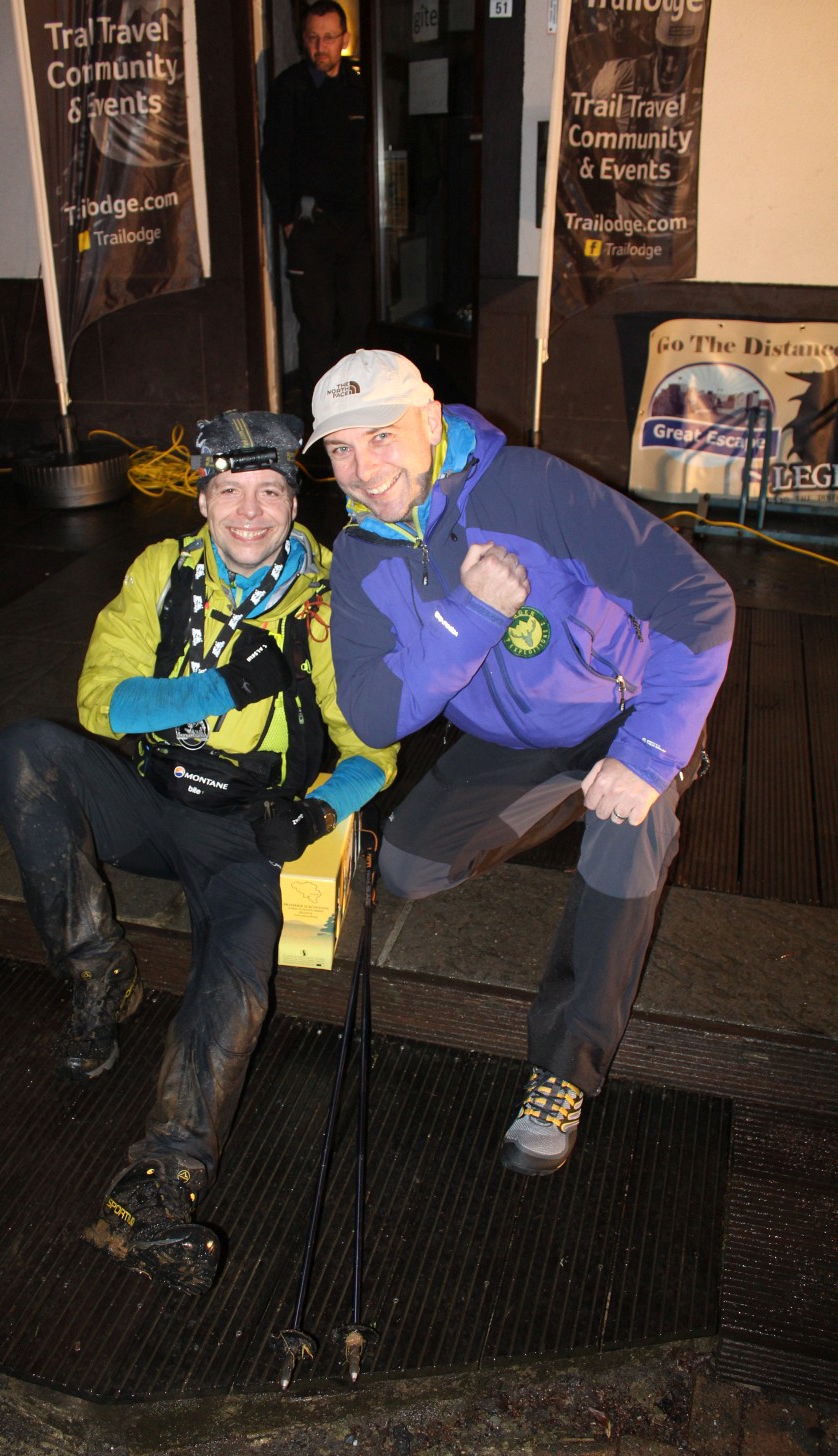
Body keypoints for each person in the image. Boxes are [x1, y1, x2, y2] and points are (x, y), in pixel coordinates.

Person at [0, 409, 397, 1294]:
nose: (249, 512)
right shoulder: (162, 571)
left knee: (239, 976)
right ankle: (98, 970)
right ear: (203, 499)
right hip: (148, 796)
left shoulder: (331, 604)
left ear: (294, 503)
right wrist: (222, 687)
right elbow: (101, 701)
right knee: (27, 749)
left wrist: (315, 813)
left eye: (270, 491)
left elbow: (375, 750)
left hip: (244, 828)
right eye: (230, 491)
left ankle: (162, 1181)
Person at [305, 349, 735, 1177]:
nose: (364, 468)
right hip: (513, 742)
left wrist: (649, 752)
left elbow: (700, 599)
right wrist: (472, 615)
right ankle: (577, 796)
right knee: (409, 869)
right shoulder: (359, 556)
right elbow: (375, 713)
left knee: (627, 832)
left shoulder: (531, 486)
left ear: (431, 420)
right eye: (341, 449)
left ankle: (565, 1068)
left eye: (382, 436)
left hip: (623, 717)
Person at [261, 2, 372, 424]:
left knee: (356, 323)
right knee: (317, 328)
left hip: (354, 228)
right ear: (303, 40)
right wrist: (289, 219)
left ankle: (353, 414)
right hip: (310, 227)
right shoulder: (289, 88)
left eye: (328, 37)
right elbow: (273, 158)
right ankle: (320, 424)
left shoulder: (359, 87)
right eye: (312, 38)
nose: (320, 46)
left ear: (344, 39)